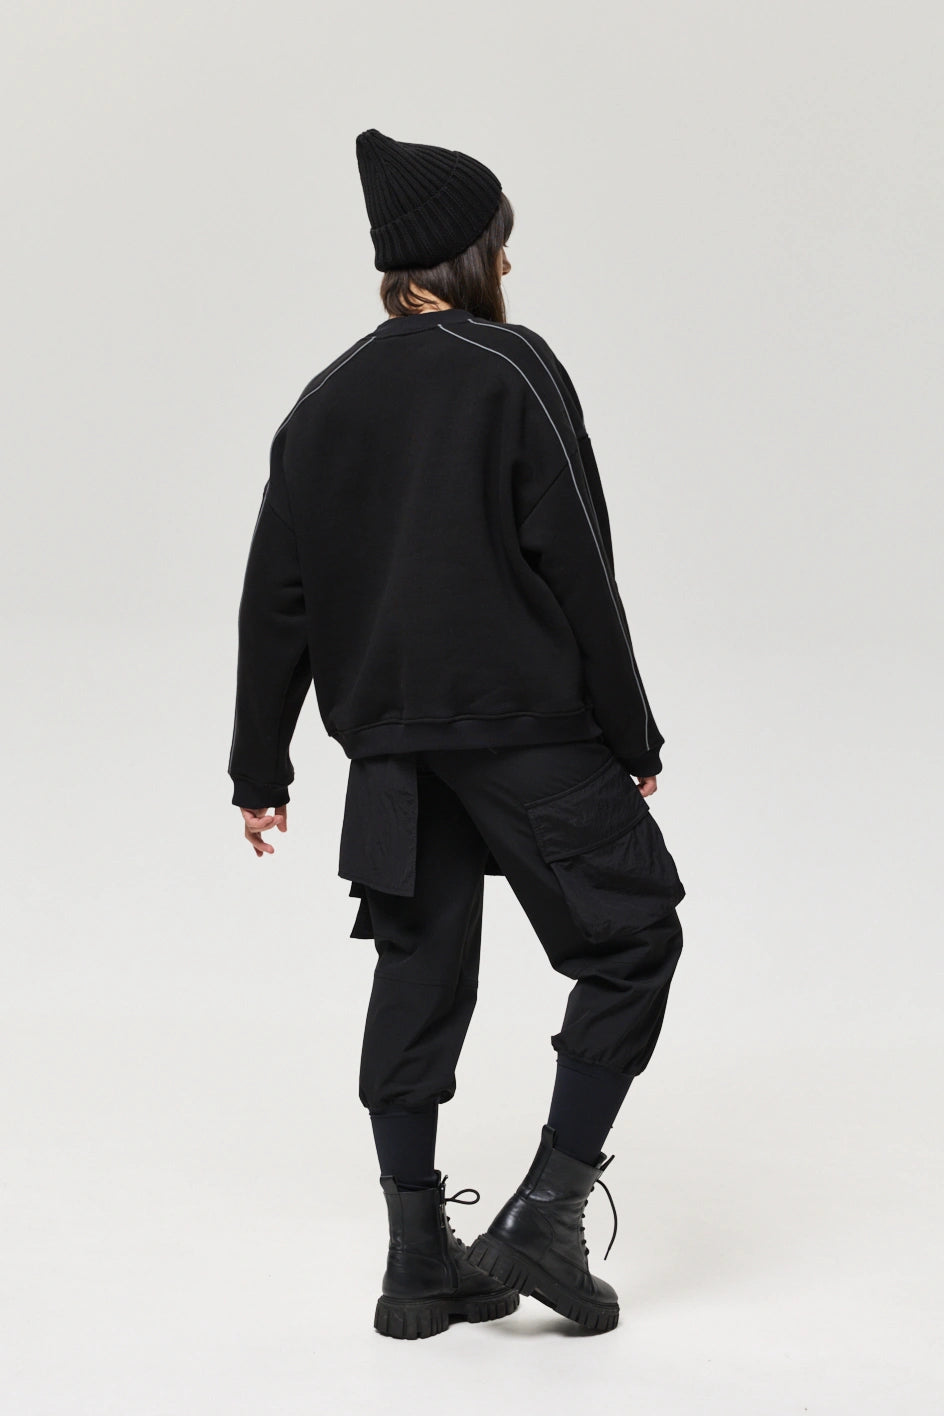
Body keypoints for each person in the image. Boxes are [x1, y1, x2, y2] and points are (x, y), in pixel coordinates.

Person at [227, 127, 686, 1340]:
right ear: (468, 253)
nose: (509, 267)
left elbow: (276, 598)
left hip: (389, 750)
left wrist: (259, 769)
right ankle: (545, 1213)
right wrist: (630, 732)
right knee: (634, 937)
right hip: (520, 722)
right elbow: (576, 558)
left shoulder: (321, 401)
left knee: (418, 972)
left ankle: (417, 1260)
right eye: (502, 244)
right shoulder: (510, 365)